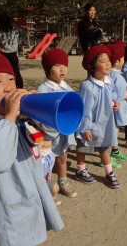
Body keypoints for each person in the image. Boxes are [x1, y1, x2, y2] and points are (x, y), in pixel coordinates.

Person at [0, 50, 64, 246]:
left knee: (34, 236)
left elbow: (52, 135)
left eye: (11, 79)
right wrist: (9, 118)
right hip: (10, 206)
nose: (8, 87)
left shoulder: (18, 117)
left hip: (31, 192)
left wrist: (39, 109)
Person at [75, 45, 120, 189]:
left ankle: (109, 172)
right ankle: (81, 169)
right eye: (102, 61)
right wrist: (84, 127)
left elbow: (113, 95)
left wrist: (115, 103)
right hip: (91, 123)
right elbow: (84, 108)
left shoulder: (109, 81)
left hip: (106, 122)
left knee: (105, 146)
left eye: (108, 60)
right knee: (83, 146)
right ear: (92, 66)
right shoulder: (88, 86)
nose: (108, 63)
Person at [38, 48, 77, 198]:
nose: (62, 69)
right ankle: (47, 187)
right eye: (57, 65)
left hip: (63, 132)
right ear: (47, 69)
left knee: (62, 158)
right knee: (46, 160)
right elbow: (40, 115)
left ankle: (63, 181)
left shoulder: (67, 87)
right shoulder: (43, 89)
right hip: (48, 134)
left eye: (65, 65)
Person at [106, 43, 127, 167]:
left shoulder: (112, 74)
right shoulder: (115, 75)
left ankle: (114, 150)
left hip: (115, 106)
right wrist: (126, 95)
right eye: (122, 58)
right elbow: (117, 91)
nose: (124, 60)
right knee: (113, 130)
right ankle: (107, 155)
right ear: (116, 61)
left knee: (114, 129)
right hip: (116, 106)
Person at [0, 10, 25, 88]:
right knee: (16, 72)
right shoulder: (14, 26)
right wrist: (18, 43)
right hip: (13, 53)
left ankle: (5, 88)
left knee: (3, 72)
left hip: (2, 53)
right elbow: (23, 34)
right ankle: (20, 88)